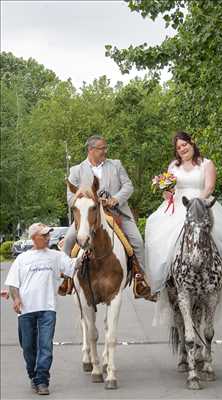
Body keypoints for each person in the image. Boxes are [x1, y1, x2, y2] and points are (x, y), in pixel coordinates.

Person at [145, 131, 222, 312]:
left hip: (201, 205)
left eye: (184, 144)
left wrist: (196, 203)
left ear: (191, 143)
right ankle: (160, 285)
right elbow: (169, 192)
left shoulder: (206, 164)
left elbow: (209, 187)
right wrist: (165, 191)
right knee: (158, 237)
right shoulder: (173, 166)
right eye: (178, 148)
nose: (182, 149)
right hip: (178, 207)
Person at [5, 223, 76, 395]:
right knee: (28, 346)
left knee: (45, 345)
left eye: (48, 235)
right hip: (26, 310)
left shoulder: (55, 256)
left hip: (47, 308)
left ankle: (43, 380)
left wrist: (87, 252)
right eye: (44, 235)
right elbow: (13, 283)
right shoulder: (22, 259)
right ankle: (33, 375)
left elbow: (74, 266)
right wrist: (16, 299)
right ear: (34, 237)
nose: (47, 237)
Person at [63, 134, 145, 272]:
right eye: (102, 148)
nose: (105, 151)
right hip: (88, 216)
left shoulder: (116, 164)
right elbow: (71, 199)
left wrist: (115, 199)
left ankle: (142, 279)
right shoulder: (75, 170)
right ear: (91, 150)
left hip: (118, 213)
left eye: (106, 148)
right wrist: (88, 199)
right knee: (68, 240)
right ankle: (66, 278)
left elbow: (128, 186)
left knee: (138, 242)